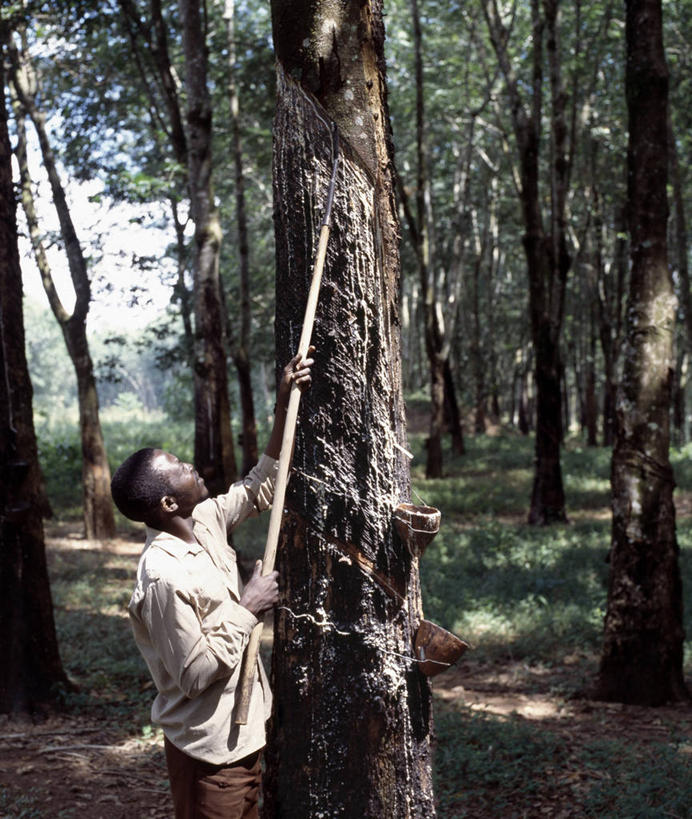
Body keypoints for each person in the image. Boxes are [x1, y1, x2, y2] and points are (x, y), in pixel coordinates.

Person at [110, 350, 314, 819]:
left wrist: (285, 403)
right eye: (179, 467)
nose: (191, 466)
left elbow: (261, 485)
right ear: (166, 502)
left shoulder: (201, 518)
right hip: (208, 753)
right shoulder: (162, 576)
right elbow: (195, 674)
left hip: (243, 737)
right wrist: (248, 605)